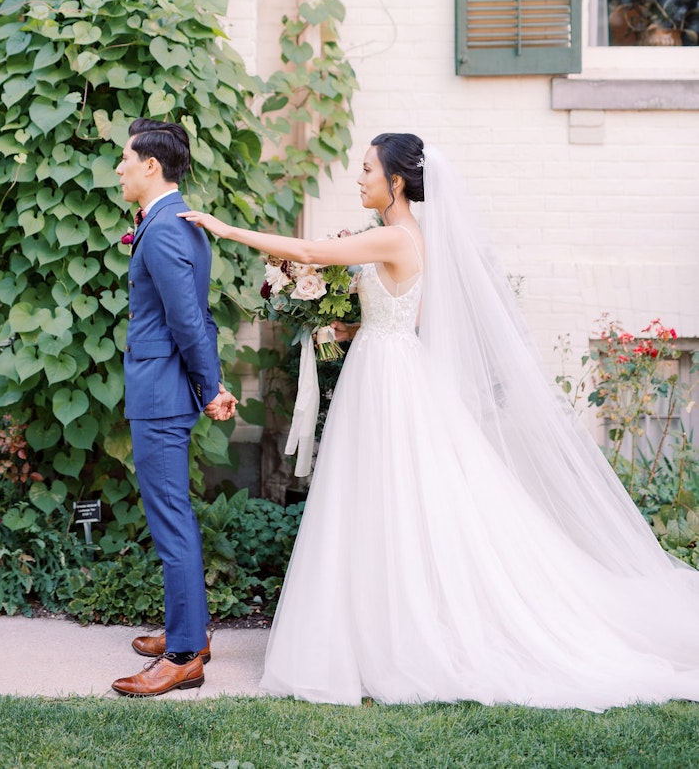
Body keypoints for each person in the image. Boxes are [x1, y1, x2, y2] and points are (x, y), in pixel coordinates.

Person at [179, 133, 699, 710]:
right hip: (385, 366)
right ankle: (376, 626)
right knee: (380, 498)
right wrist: (347, 330)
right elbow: (403, 311)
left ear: (396, 182)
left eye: (368, 169)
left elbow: (307, 254)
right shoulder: (408, 237)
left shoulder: (394, 235)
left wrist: (225, 230)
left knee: (391, 498)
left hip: (387, 381)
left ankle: (395, 633)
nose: (359, 178)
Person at [111, 118, 237, 697]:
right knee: (173, 514)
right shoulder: (169, 219)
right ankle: (190, 632)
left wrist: (210, 387)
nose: (119, 169)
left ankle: (185, 655)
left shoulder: (162, 230)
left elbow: (188, 320)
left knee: (170, 519)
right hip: (163, 387)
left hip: (161, 393)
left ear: (151, 166)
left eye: (125, 159)